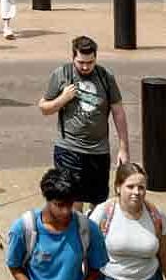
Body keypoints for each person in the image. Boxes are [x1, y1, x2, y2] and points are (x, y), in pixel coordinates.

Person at [38, 36, 130, 209]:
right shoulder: (61, 75)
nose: (86, 67)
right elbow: (44, 108)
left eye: (90, 62)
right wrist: (63, 99)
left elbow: (118, 111)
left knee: (99, 205)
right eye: (81, 62)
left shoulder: (105, 77)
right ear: (73, 57)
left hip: (99, 151)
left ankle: (93, 234)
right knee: (73, 203)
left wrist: (123, 147)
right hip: (69, 149)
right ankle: (77, 234)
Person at [4, 168, 109, 280]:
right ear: (47, 199)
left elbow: (95, 268)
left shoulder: (87, 229)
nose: (65, 211)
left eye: (69, 204)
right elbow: (14, 266)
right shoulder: (24, 228)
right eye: (59, 205)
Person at [89, 162, 166, 280]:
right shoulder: (102, 213)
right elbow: (86, 253)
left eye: (141, 187)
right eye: (130, 187)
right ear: (118, 187)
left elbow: (165, 254)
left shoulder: (157, 216)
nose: (136, 192)